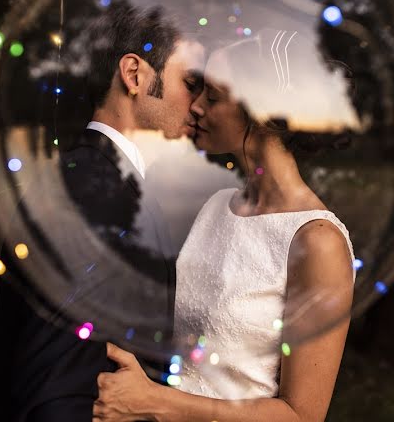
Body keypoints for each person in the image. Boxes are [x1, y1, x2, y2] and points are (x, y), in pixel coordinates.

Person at [93, 30, 358, 422]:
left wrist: (157, 402)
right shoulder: (216, 205)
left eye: (212, 97)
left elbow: (301, 415)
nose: (194, 107)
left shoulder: (317, 242)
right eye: (197, 90)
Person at [0, 6, 204, 422]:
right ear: (135, 74)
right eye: (190, 82)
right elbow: (51, 393)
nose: (198, 106)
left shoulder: (110, 184)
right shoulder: (92, 194)